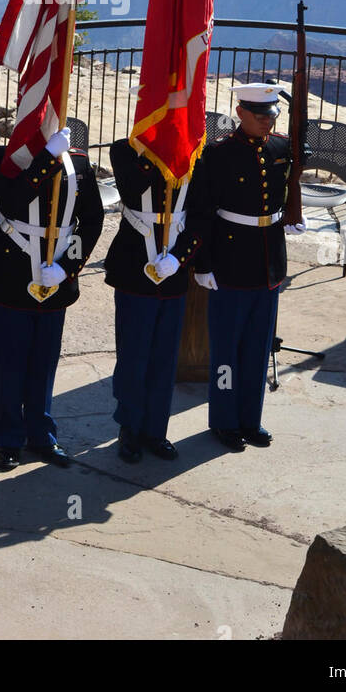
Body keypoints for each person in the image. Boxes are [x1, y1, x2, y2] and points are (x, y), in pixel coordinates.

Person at [0, 125, 104, 471]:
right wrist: (46, 158)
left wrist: (68, 266)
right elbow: (13, 201)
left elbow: (91, 220)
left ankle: (42, 435)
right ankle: (9, 440)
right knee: (11, 363)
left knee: (44, 363)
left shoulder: (77, 162)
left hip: (55, 280)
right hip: (10, 278)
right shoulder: (5, 158)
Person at [188, 82, 304, 451]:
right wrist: (202, 263)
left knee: (258, 346)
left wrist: (292, 214)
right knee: (226, 350)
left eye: (272, 116)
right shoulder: (219, 154)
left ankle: (249, 419)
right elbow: (201, 212)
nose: (267, 124)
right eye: (260, 117)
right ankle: (224, 420)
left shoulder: (282, 147)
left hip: (268, 259)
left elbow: (291, 181)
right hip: (230, 258)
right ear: (240, 113)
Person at [104, 138, 204, 463]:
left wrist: (180, 257)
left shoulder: (194, 156)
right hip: (135, 268)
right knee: (134, 356)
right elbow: (135, 186)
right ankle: (130, 428)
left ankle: (155, 430)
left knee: (164, 357)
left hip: (172, 270)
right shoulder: (124, 152)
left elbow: (201, 213)